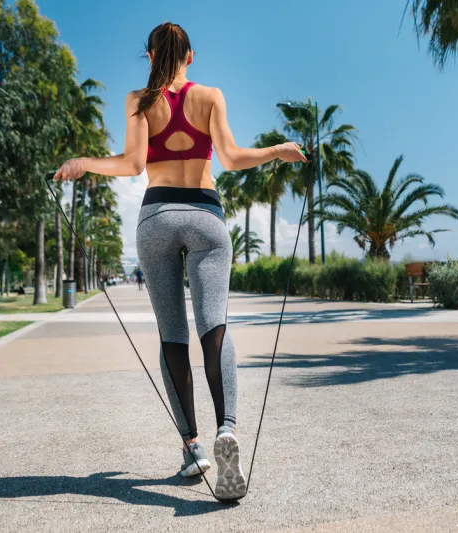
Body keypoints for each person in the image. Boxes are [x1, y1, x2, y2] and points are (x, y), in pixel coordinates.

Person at [53, 21, 306, 501]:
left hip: (158, 218)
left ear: (150, 56)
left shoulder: (138, 101)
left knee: (173, 334)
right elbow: (230, 158)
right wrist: (279, 151)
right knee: (215, 328)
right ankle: (227, 428)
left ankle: (192, 447)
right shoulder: (210, 96)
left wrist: (83, 163)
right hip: (206, 217)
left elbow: (131, 165)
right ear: (191, 56)